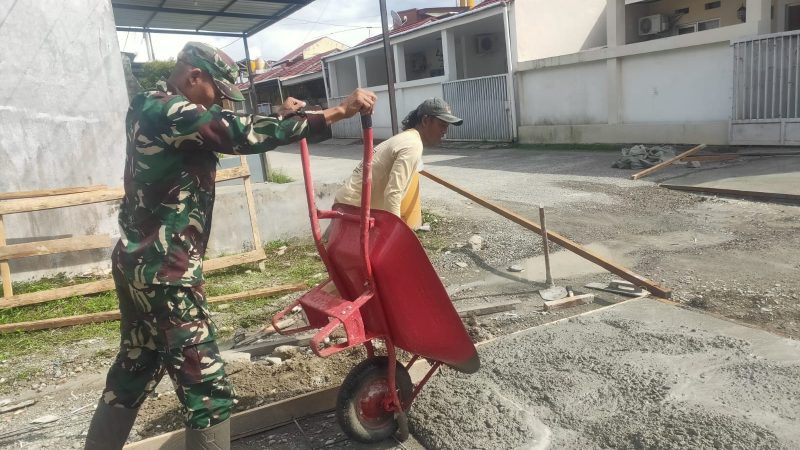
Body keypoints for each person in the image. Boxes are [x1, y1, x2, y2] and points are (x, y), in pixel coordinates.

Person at [83, 42, 376, 450]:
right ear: (193, 77)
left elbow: (221, 123)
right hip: (167, 272)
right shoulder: (169, 110)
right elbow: (234, 132)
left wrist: (282, 117)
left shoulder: (152, 107)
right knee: (206, 388)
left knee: (135, 367)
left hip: (138, 267)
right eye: (217, 91)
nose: (221, 100)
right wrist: (336, 113)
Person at [334, 98, 463, 224]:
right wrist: (395, 231)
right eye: (442, 125)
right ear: (425, 121)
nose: (445, 132)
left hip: (347, 204)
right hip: (353, 210)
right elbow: (393, 194)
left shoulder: (407, 138)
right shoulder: (413, 144)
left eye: (446, 127)